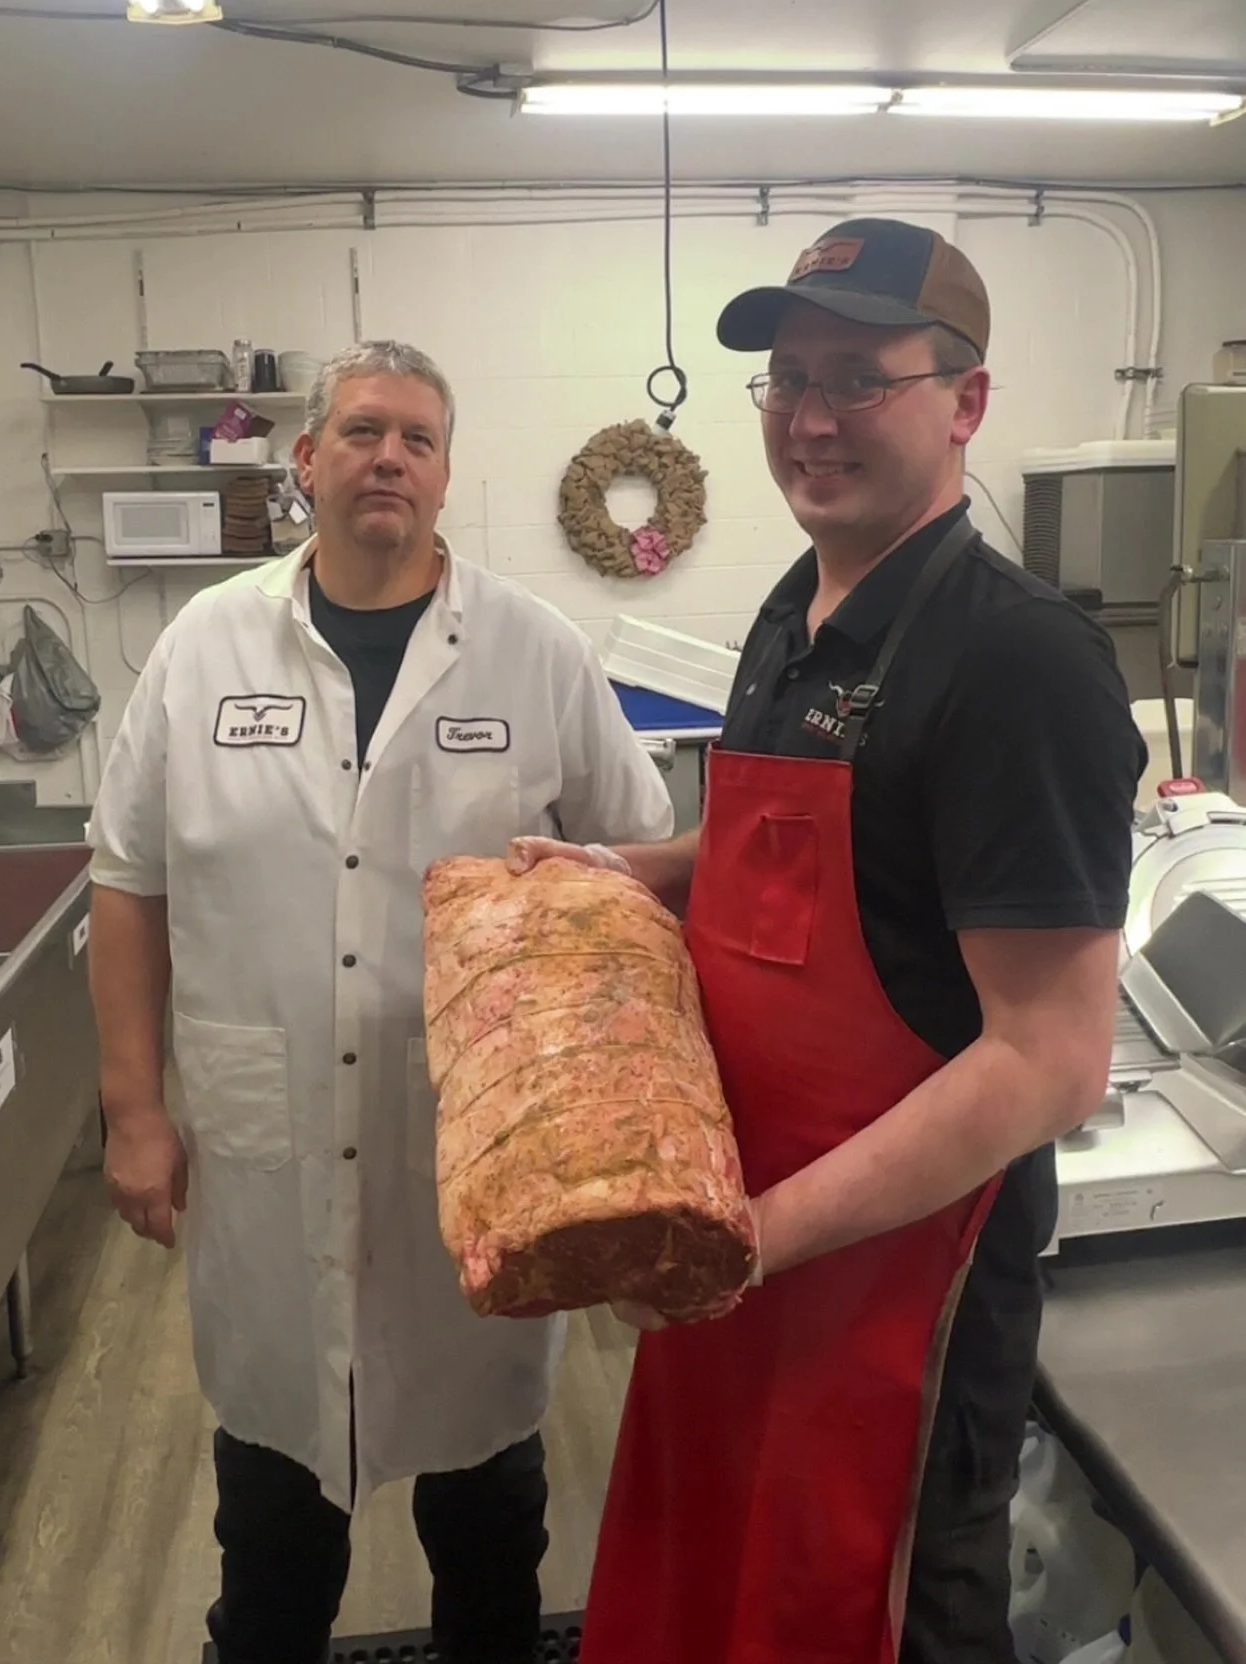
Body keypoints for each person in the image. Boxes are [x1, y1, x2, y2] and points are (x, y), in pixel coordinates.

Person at [511, 219, 1145, 1664]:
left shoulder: (1018, 660)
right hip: (743, 1246)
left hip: (890, 1299)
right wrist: (631, 871)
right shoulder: (793, 610)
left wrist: (754, 1242)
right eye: (789, 379)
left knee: (863, 1617)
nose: (808, 419)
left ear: (965, 401)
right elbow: (802, 853)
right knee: (725, 1596)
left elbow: (1050, 1062)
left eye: (860, 379)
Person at [86, 338, 672, 1664]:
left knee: (491, 1530)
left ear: (447, 473)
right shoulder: (204, 646)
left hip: (478, 1159)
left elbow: (636, 868)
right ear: (306, 460)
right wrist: (133, 1111)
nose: (388, 458)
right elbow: (126, 884)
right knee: (273, 1545)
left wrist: (610, 1131)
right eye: (360, 431)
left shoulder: (533, 651)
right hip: (270, 1147)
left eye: (417, 438)